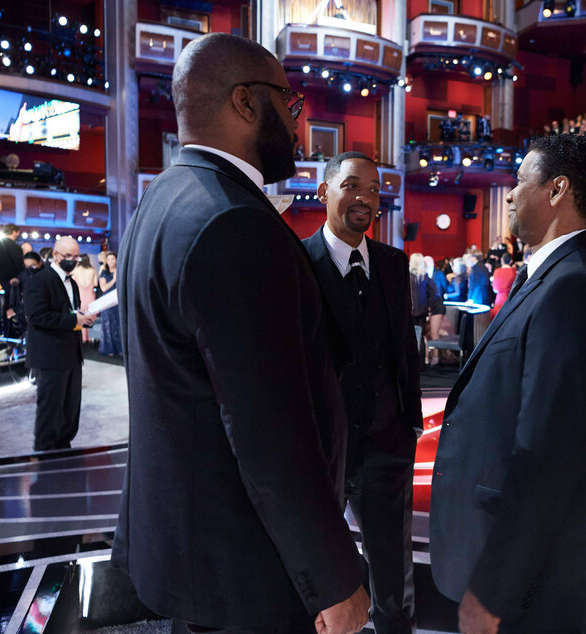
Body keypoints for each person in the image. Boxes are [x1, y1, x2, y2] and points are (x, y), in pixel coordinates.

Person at [111, 33, 369, 633]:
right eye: (291, 101)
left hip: (193, 553)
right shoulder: (233, 222)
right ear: (247, 103)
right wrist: (330, 576)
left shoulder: (163, 199)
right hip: (244, 567)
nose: (299, 119)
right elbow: (269, 432)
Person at [430, 134, 586, 633]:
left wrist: (495, 588)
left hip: (542, 580)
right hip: (537, 571)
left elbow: (551, 452)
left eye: (520, 181)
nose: (510, 194)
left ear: (557, 189)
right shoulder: (554, 276)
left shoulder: (577, 285)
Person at [303, 151, 422, 634]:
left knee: (394, 574)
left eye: (374, 190)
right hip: (321, 450)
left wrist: (408, 422)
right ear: (324, 192)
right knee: (319, 574)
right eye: (352, 185)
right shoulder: (298, 262)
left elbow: (403, 352)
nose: (365, 199)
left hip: (387, 446)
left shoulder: (394, 264)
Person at [24, 236, 95, 451]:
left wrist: (83, 318)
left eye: (76, 256)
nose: (73, 260)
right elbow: (38, 316)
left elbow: (69, 313)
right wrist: (75, 320)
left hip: (71, 353)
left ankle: (64, 447)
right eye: (68, 256)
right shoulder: (39, 280)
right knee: (51, 408)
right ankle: (46, 455)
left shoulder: (71, 282)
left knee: (70, 408)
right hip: (50, 354)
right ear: (55, 255)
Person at [0, 223, 24, 337]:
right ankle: (18, 331)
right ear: (14, 231)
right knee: (16, 305)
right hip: (14, 280)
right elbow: (18, 264)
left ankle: (7, 330)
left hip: (3, 279)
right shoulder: (15, 247)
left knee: (7, 304)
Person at [97, 252, 122, 356]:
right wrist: (114, 280)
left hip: (119, 301)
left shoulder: (120, 270)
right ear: (106, 261)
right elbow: (103, 288)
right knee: (108, 324)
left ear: (116, 260)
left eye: (113, 259)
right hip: (107, 301)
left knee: (119, 323)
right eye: (109, 259)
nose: (111, 261)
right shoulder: (104, 273)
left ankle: (120, 348)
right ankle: (109, 348)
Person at [71, 254, 98, 344]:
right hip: (90, 296)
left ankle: (81, 338)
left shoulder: (75, 270)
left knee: (80, 317)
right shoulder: (93, 270)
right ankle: (91, 339)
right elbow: (95, 284)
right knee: (90, 317)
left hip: (80, 296)